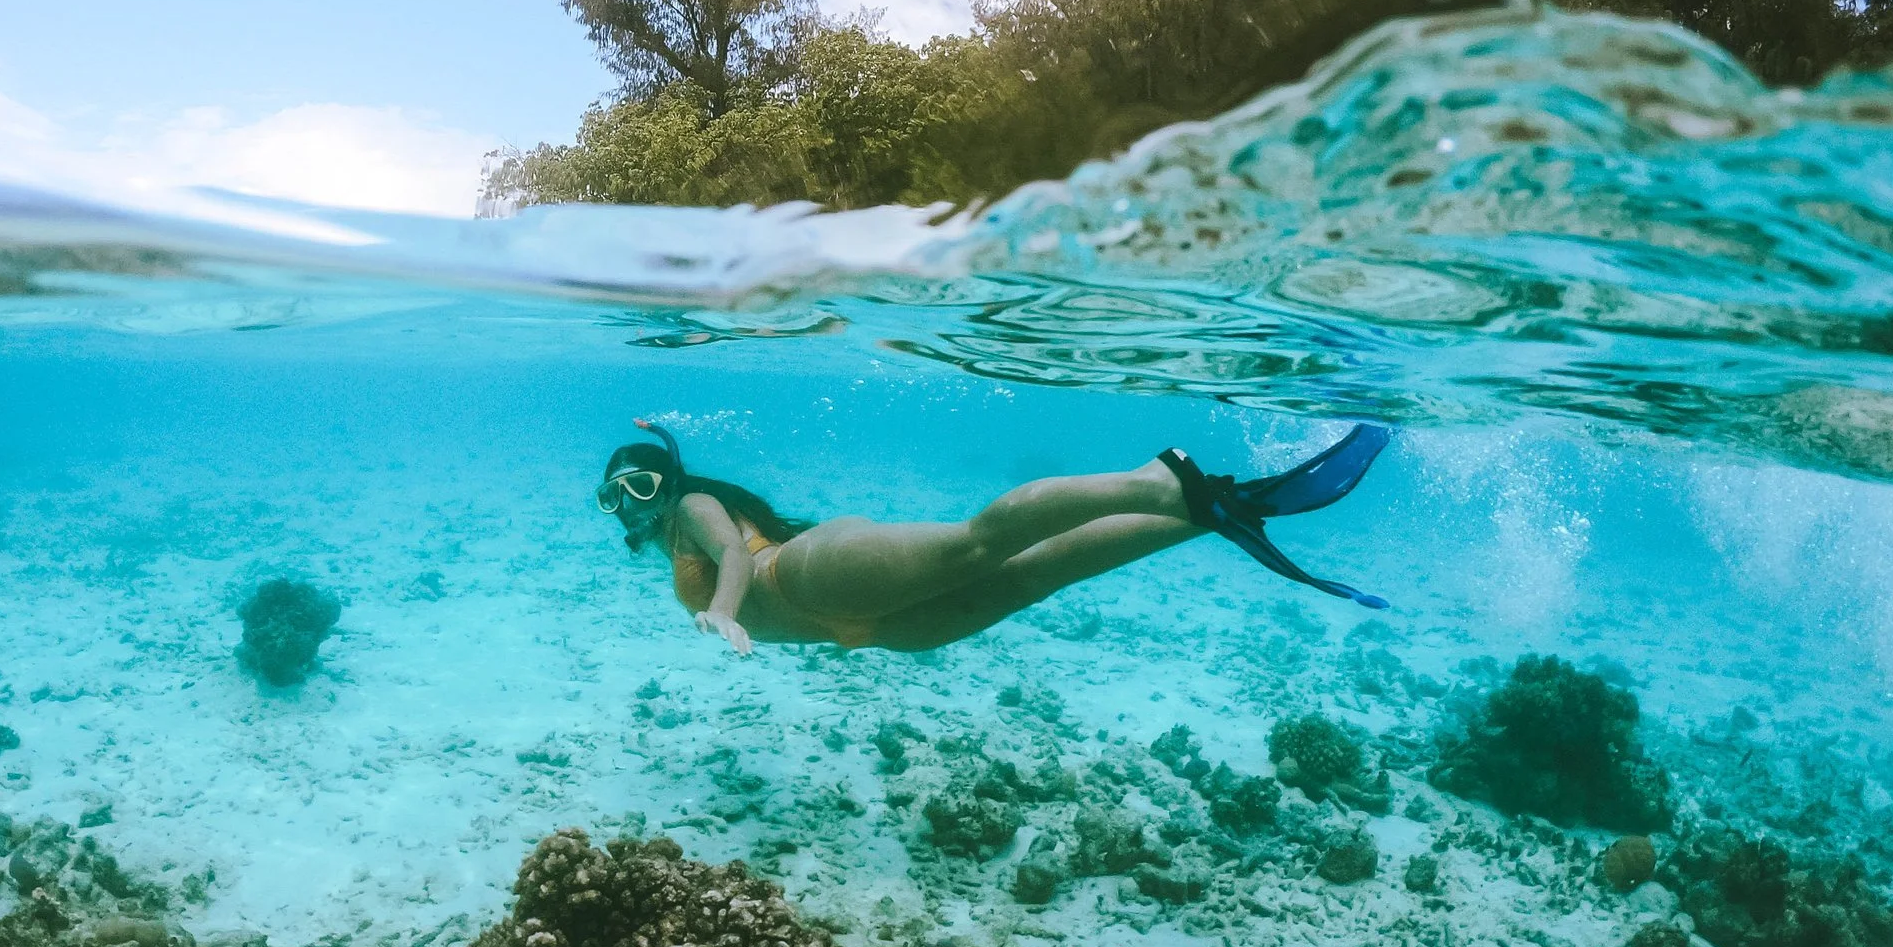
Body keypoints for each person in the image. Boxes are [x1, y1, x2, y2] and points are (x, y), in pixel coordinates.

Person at [595, 418, 1390, 656]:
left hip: (802, 579)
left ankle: (1156, 479)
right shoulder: (667, 533)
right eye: (614, 498)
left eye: (640, 485)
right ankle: (1199, 515)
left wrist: (729, 612)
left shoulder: (693, 507)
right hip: (859, 628)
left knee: (979, 544)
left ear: (665, 478)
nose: (633, 505)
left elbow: (735, 551)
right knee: (1030, 577)